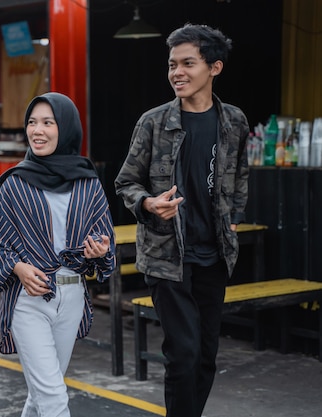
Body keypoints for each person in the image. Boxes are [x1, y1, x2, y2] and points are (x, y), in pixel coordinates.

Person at [114, 24, 250, 417]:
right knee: (184, 353)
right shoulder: (153, 123)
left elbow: (240, 174)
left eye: (188, 63)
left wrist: (235, 218)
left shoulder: (234, 121)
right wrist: (148, 203)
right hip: (166, 257)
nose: (177, 72)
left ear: (215, 68)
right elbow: (126, 182)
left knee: (206, 355)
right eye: (172, 64)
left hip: (215, 255)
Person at [0, 92, 115, 416]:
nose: (37, 130)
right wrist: (18, 268)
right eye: (32, 122)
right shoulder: (15, 183)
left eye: (47, 122)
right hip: (30, 301)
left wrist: (98, 250)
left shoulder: (88, 182)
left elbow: (104, 239)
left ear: (66, 128)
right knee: (54, 396)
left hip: (71, 298)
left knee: (42, 392)